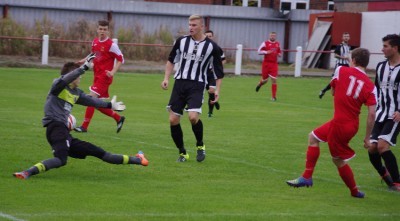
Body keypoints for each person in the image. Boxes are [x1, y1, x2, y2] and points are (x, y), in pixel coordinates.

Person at [13, 58, 148, 180]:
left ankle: (137, 159)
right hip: (56, 128)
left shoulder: (77, 93)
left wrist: (110, 105)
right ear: (73, 76)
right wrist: (82, 68)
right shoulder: (57, 86)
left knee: (101, 153)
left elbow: (92, 101)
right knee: (61, 159)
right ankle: (27, 172)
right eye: (79, 76)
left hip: (64, 133)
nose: (80, 79)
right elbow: (65, 79)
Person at [286, 48, 377, 198]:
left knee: (338, 160)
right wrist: (367, 137)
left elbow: (333, 91)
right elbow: (372, 113)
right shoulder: (370, 86)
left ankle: (354, 191)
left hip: (340, 124)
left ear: (353, 60)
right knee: (313, 137)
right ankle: (307, 177)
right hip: (351, 125)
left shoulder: (341, 70)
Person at [161, 14, 224, 162]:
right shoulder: (181, 41)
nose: (191, 27)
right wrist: (166, 78)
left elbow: (219, 72)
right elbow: (171, 60)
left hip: (197, 85)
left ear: (202, 27)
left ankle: (200, 146)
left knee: (193, 117)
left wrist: (217, 90)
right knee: (173, 120)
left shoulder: (212, 47)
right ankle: (182, 153)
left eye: (194, 25)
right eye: (189, 25)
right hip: (180, 83)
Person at [74, 20, 125, 133]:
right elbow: (92, 55)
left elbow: (121, 59)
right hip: (96, 75)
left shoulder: (111, 45)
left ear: (108, 31)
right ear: (97, 30)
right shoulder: (95, 41)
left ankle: (84, 126)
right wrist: (82, 61)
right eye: (100, 29)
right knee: (96, 104)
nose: (102, 31)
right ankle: (118, 118)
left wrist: (112, 72)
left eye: (104, 29)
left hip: (105, 77)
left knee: (90, 99)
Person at [367, 34, 400, 191]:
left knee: (382, 146)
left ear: (395, 48)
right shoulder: (381, 67)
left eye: (386, 46)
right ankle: (385, 177)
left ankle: (398, 182)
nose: (382, 49)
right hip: (381, 113)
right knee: (372, 147)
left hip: (395, 115)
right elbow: (376, 90)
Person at [319, 32, 351, 99]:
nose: (346, 37)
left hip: (346, 65)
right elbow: (335, 55)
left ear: (349, 38)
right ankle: (324, 90)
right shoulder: (339, 46)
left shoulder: (348, 47)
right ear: (342, 38)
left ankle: (344, 94)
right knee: (334, 80)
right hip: (339, 64)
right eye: (345, 36)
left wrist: (351, 63)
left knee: (348, 79)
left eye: (347, 36)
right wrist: (344, 58)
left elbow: (348, 57)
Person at [205, 30, 226, 117]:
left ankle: (210, 112)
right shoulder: (201, 47)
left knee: (211, 91)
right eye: (207, 36)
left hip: (212, 73)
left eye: (210, 36)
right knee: (209, 93)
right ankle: (215, 101)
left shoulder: (216, 48)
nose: (208, 38)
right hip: (201, 73)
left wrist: (217, 67)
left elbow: (223, 59)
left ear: (212, 37)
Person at [255, 31, 281, 101]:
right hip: (266, 64)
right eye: (271, 36)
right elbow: (258, 51)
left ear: (275, 36)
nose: (273, 37)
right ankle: (260, 84)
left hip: (274, 64)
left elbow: (279, 51)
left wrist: (279, 54)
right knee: (265, 81)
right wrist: (266, 52)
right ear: (269, 36)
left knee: (274, 80)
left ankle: (273, 97)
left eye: (274, 36)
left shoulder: (277, 44)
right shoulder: (265, 43)